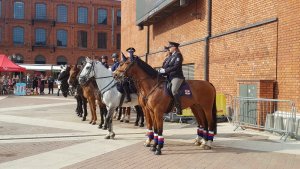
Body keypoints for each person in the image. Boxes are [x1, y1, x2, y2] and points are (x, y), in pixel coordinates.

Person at [159, 41, 184, 115]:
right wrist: (161, 71)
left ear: (174, 48)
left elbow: (176, 66)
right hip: (169, 77)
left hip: (177, 77)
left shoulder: (178, 55)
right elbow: (166, 66)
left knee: (174, 91)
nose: (169, 48)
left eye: (170, 47)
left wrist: (165, 70)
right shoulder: (171, 56)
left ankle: (179, 108)